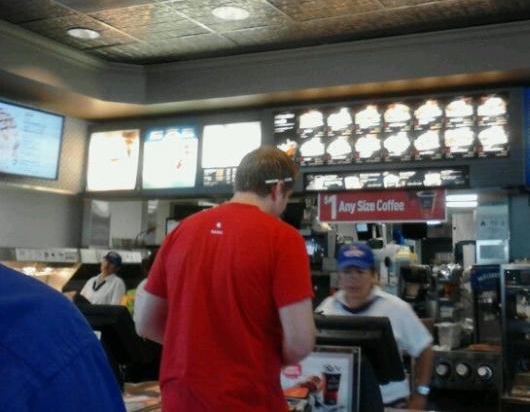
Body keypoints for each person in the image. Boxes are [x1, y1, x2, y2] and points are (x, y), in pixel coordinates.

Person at [135, 146, 316, 412]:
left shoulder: (181, 231)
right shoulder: (284, 239)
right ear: (277, 189)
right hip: (247, 399)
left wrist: (200, 350)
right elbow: (300, 341)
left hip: (180, 399)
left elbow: (145, 323)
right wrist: (263, 357)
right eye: (287, 198)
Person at [316, 243, 434, 409]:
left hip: (389, 403)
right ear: (339, 276)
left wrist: (421, 393)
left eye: (360, 272)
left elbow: (425, 349)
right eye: (347, 272)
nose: (353, 278)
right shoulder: (327, 308)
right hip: (341, 403)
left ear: (373, 275)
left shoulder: (396, 308)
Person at [0, 264, 126, 411]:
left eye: (111, 264)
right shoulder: (55, 322)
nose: (107, 266)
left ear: (116, 268)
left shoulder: (48, 326)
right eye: (106, 262)